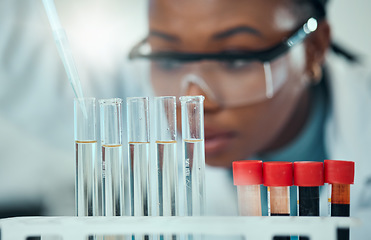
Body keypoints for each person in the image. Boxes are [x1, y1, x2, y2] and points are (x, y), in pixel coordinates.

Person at [129, 0, 371, 238]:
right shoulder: (138, 149)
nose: (195, 101)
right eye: (169, 59)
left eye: (236, 59)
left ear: (313, 49)